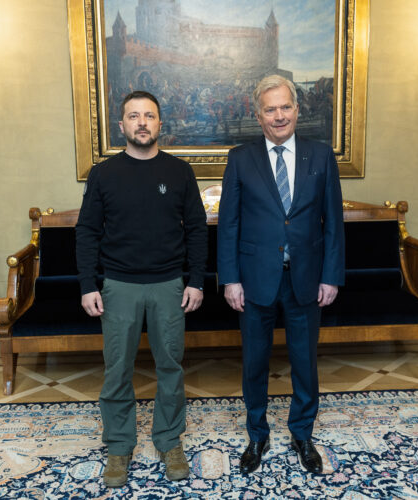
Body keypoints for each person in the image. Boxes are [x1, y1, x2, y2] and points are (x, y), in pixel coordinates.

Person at [76, 90, 207, 488]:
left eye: (149, 116)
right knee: (118, 370)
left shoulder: (180, 172)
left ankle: (169, 441)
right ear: (122, 125)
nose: (142, 123)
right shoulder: (103, 174)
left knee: (170, 367)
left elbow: (198, 229)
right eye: (134, 116)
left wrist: (197, 280)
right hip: (119, 287)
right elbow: (87, 232)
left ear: (160, 124)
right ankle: (119, 446)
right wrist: (87, 285)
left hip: (169, 285)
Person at [217, 75, 345, 475]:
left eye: (285, 107)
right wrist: (230, 279)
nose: (278, 116)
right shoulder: (240, 158)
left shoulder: (321, 156)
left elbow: (333, 224)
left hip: (306, 278)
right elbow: (229, 225)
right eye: (269, 109)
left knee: (304, 363)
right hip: (254, 280)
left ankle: (302, 434)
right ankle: (257, 435)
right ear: (258, 116)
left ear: (297, 110)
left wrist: (331, 276)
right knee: (254, 363)